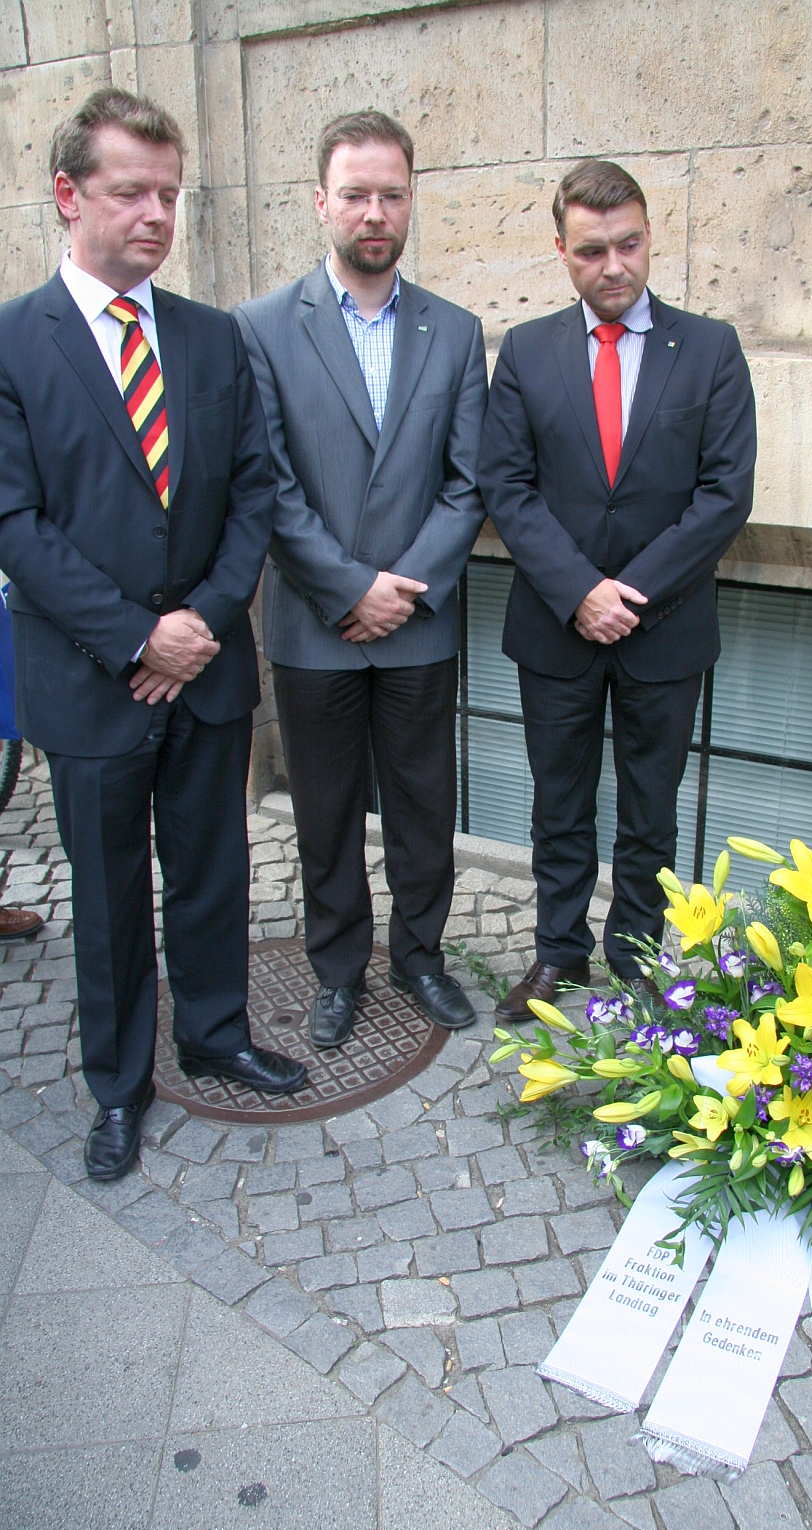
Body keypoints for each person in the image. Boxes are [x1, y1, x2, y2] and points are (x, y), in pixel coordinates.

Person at [0, 87, 306, 1182]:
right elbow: (15, 525)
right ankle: (120, 1085)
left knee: (214, 870)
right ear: (68, 195)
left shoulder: (213, 339)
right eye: (132, 191)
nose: (156, 214)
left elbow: (256, 498)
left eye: (170, 194)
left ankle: (216, 1034)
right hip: (91, 687)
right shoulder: (10, 344)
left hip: (209, 675)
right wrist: (138, 640)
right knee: (111, 896)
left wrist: (202, 625)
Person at [479, 159, 757, 1022]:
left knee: (650, 810)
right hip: (556, 629)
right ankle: (558, 957)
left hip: (664, 628)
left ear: (650, 237)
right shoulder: (526, 351)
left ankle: (636, 960)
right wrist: (577, 593)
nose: (615, 265)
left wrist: (623, 594)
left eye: (629, 244)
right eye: (592, 249)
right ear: (562, 251)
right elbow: (505, 486)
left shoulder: (710, 348)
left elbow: (726, 494)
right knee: (558, 806)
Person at [236, 111, 487, 1046]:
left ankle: (420, 958)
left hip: (418, 625)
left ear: (412, 198)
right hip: (313, 626)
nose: (374, 211)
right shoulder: (260, 328)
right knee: (327, 815)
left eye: (391, 193)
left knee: (426, 808)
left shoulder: (455, 332)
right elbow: (266, 483)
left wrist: (403, 587)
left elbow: (469, 483)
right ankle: (337, 971)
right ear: (321, 202)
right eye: (356, 194)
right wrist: (348, 589)